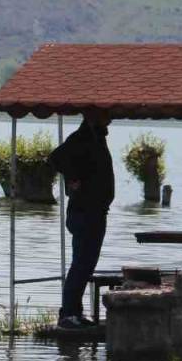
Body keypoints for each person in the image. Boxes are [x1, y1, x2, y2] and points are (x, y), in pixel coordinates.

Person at [47, 111, 114, 329]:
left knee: (85, 265)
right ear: (93, 117)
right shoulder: (83, 138)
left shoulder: (95, 138)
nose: (110, 120)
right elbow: (56, 158)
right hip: (85, 212)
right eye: (107, 116)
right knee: (81, 265)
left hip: (94, 211)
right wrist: (73, 178)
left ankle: (74, 312)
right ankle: (68, 314)